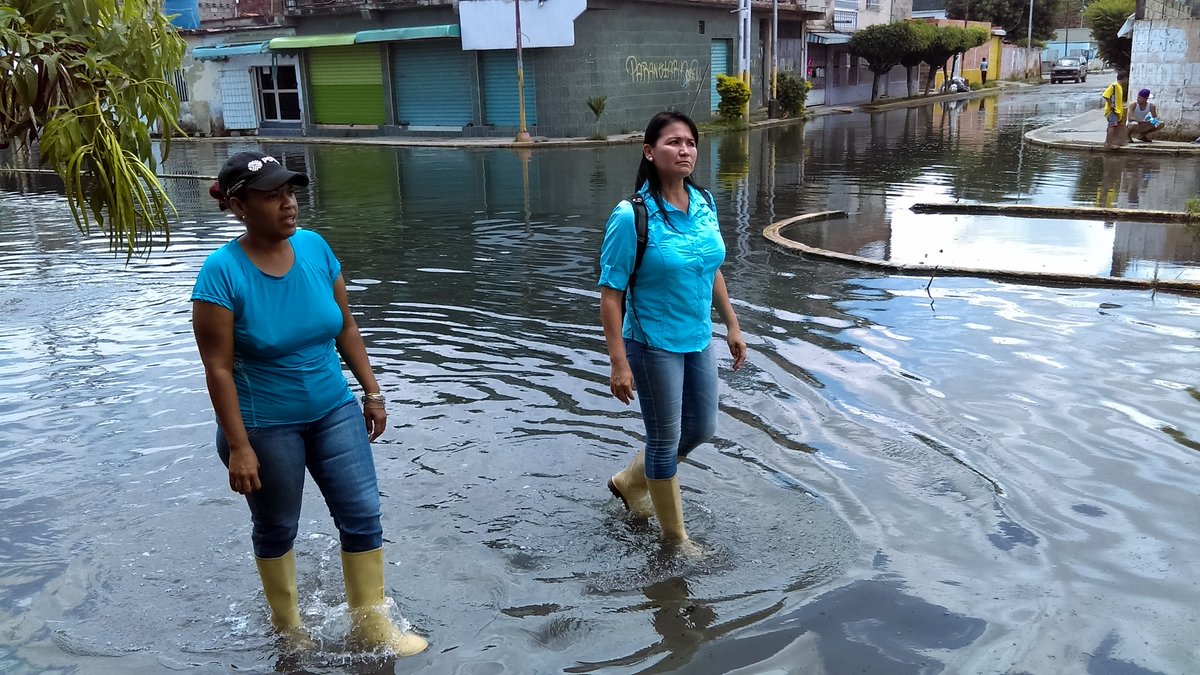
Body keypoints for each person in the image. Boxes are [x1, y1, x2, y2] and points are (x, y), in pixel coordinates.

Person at [191, 152, 427, 656]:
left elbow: (345, 324)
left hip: (332, 409)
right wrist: (239, 446)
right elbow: (218, 369)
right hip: (264, 425)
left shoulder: (317, 249)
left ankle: (372, 626)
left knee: (363, 514)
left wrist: (373, 390)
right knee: (277, 526)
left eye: (290, 192)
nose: (288, 204)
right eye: (272, 195)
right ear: (238, 206)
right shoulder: (221, 274)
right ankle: (289, 628)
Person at [598, 111, 747, 552]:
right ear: (650, 151)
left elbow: (711, 268)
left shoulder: (703, 203)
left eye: (690, 142)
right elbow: (610, 294)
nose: (684, 150)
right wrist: (618, 362)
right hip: (652, 342)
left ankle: (629, 480)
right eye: (673, 142)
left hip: (697, 337)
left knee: (701, 427)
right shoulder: (632, 216)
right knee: (664, 439)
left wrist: (732, 324)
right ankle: (676, 539)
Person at [1102, 71, 1129, 150]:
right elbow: (1105, 95)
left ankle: (1108, 142)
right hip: (1113, 110)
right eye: (1126, 79)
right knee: (1112, 126)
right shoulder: (1114, 85)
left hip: (1116, 111)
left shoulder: (1119, 87)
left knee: (1112, 126)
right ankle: (1109, 144)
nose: (1127, 81)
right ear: (1124, 79)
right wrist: (1111, 104)